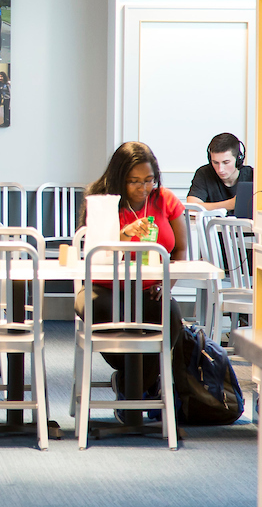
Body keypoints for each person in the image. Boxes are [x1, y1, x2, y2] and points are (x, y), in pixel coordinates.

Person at [80, 141, 186, 400]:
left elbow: (180, 251)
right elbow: (95, 251)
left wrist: (166, 286)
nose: (143, 188)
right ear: (119, 178)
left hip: (149, 290)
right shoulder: (103, 201)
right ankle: (136, 383)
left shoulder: (164, 200)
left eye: (149, 180)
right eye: (134, 181)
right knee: (111, 318)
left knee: (171, 318)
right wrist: (123, 235)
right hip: (102, 290)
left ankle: (130, 387)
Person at [187, 133, 254, 212]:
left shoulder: (252, 175)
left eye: (226, 162)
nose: (220, 169)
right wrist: (231, 204)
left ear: (238, 159)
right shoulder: (203, 173)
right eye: (215, 162)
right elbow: (192, 208)